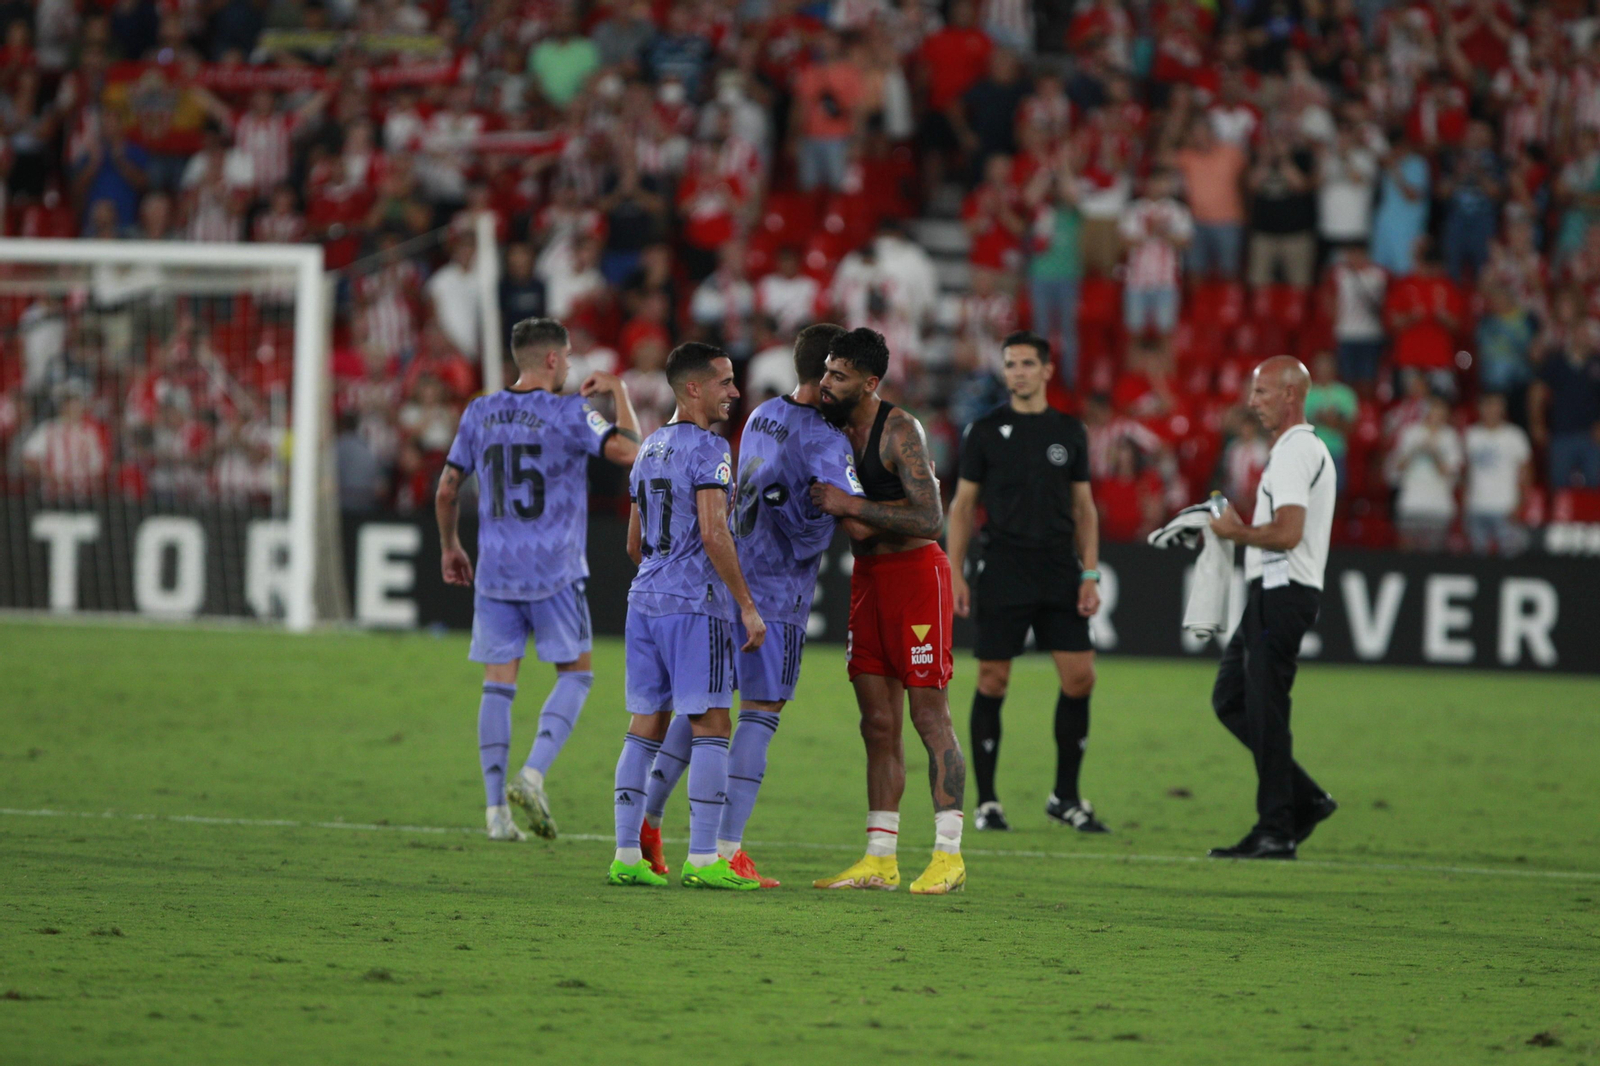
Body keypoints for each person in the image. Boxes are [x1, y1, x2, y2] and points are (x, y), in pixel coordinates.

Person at [636, 324, 866, 888]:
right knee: (758, 717)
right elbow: (852, 512)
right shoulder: (826, 439)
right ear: (831, 373)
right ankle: (726, 848)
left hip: (726, 577)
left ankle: (648, 820)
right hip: (776, 593)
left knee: (703, 712)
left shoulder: (763, 413)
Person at [436, 319, 641, 843]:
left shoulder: (479, 411)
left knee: (498, 686)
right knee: (576, 675)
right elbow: (631, 451)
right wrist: (616, 390)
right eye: (568, 357)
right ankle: (532, 774)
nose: (571, 366)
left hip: (496, 571)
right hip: (554, 569)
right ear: (552, 360)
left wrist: (450, 546)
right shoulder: (569, 412)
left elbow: (446, 490)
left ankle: (493, 814)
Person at [808, 327, 967, 895]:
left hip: (917, 578)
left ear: (870, 383)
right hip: (868, 581)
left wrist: (853, 506)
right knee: (877, 724)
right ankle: (880, 858)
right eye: (826, 372)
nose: (827, 384)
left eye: (839, 376)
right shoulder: (827, 427)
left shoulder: (898, 430)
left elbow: (930, 518)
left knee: (930, 717)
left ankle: (949, 854)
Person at [607, 342, 767, 890]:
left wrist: (662, 572)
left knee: (644, 726)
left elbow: (634, 542)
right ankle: (704, 859)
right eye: (724, 382)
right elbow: (712, 531)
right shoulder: (710, 449)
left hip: (644, 599)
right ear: (693, 388)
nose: (734, 391)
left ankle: (627, 854)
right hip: (694, 606)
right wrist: (746, 605)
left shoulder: (649, 447)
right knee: (713, 725)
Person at [946, 332, 1107, 834]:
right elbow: (963, 507)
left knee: (1080, 678)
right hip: (1004, 568)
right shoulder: (985, 431)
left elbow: (1084, 508)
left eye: (1026, 363)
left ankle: (1065, 796)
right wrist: (954, 570)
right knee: (993, 679)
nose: (1017, 371)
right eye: (1010, 363)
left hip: (1059, 568)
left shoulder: (1069, 431)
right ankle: (989, 801)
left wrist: (1089, 571)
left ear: (1046, 371)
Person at [1206, 356, 1339, 860]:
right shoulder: (1298, 450)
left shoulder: (1292, 452)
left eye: (1261, 392)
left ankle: (1277, 827)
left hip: (1283, 591)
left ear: (1290, 395)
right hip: (1275, 592)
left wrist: (1236, 531)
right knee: (1232, 699)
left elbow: (1287, 532)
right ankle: (1303, 801)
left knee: (1264, 708)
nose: (1251, 402)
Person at [1388, 393, 1463, 551]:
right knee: (1407, 555)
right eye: (1433, 409)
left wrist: (1434, 453)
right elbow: (1395, 468)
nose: (1436, 414)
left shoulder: (1450, 437)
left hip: (1439, 507)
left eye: (1440, 410)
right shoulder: (1410, 433)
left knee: (1435, 556)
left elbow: (1451, 472)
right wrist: (1415, 450)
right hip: (1411, 504)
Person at [1463, 393, 1532, 556]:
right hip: (1476, 507)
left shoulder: (1515, 435)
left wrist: (1520, 504)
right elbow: (1466, 472)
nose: (1491, 410)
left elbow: (1526, 473)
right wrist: (1465, 504)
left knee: (1509, 560)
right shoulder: (1471, 435)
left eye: (1496, 405)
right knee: (1477, 560)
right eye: (1487, 405)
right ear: (1480, 408)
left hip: (1505, 507)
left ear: (1502, 408)